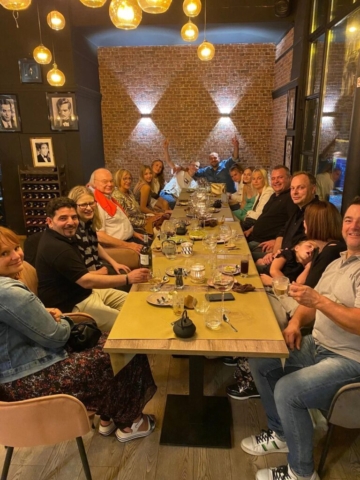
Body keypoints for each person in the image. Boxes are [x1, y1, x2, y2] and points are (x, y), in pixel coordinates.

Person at [0, 226, 157, 443]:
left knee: (108, 344)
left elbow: (14, 323)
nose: (16, 255)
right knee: (123, 349)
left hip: (16, 374)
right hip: (28, 381)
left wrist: (45, 313)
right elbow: (56, 337)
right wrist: (64, 319)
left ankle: (107, 419)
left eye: (16, 248)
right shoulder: (8, 291)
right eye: (3, 253)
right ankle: (132, 422)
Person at [240, 197, 360, 480]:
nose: (354, 227)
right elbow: (310, 303)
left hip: (349, 360)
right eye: (349, 220)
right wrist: (294, 323)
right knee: (262, 359)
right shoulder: (339, 261)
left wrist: (318, 300)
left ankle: (302, 473)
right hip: (317, 345)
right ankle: (281, 433)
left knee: (288, 390)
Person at [226, 201, 344, 401]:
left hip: (310, 311)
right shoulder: (323, 249)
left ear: (318, 223)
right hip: (303, 303)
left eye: (307, 221)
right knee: (254, 295)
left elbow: (308, 292)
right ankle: (244, 360)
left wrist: (274, 283)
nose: (304, 225)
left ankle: (251, 377)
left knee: (260, 309)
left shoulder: (332, 252)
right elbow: (302, 282)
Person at [36, 197, 149, 332]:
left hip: (87, 293)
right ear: (50, 221)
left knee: (139, 303)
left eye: (73, 217)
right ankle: (127, 349)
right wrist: (128, 278)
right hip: (73, 304)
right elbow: (86, 281)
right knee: (126, 324)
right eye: (63, 218)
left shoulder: (65, 237)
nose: (70, 222)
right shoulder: (57, 247)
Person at [256, 172, 318, 268]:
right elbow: (282, 233)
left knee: (249, 264)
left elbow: (305, 247)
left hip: (291, 266)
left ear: (313, 189)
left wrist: (278, 257)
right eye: (292, 188)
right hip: (281, 257)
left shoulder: (316, 213)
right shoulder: (298, 208)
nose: (295, 192)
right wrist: (274, 253)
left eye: (301, 187)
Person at [68, 185, 132, 275]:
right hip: (88, 278)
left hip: (96, 267)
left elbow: (95, 244)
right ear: (73, 207)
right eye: (83, 205)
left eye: (91, 203)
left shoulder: (88, 223)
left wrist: (114, 263)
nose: (89, 208)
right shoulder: (73, 231)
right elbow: (77, 274)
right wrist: (100, 272)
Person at [88, 168, 145, 254]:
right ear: (94, 183)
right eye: (105, 181)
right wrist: (128, 245)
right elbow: (100, 236)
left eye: (111, 181)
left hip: (130, 239)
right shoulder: (97, 204)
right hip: (119, 247)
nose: (110, 184)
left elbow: (119, 222)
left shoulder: (109, 198)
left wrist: (133, 233)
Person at [244, 166, 298, 254]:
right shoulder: (274, 196)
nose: (276, 181)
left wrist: (276, 241)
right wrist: (250, 230)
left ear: (290, 178)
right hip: (253, 237)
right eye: (273, 178)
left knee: (241, 257)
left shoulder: (291, 198)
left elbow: (292, 227)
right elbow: (264, 216)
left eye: (280, 177)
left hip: (265, 244)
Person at [112, 169, 163, 234]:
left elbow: (137, 212)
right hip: (133, 228)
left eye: (129, 178)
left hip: (141, 219)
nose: (128, 181)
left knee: (163, 220)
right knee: (160, 231)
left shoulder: (129, 192)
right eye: (125, 179)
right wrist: (145, 221)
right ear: (118, 180)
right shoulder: (117, 196)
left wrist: (148, 217)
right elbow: (124, 219)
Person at [159, 139, 199, 208]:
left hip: (178, 199)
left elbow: (192, 196)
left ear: (198, 169)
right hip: (167, 193)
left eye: (197, 166)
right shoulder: (180, 171)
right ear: (188, 166)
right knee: (173, 202)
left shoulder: (194, 183)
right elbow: (169, 161)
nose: (194, 167)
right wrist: (166, 148)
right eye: (192, 165)